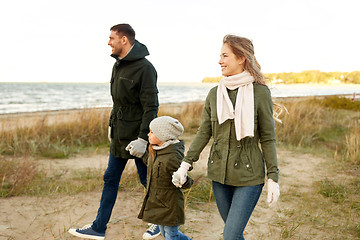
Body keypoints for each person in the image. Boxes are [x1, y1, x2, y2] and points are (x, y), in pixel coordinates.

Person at [172, 34, 280, 240]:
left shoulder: (260, 93)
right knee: (235, 234)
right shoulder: (215, 93)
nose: (220, 61)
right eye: (220, 56)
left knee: (230, 235)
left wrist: (273, 177)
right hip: (219, 174)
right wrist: (185, 165)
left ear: (241, 58)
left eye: (225, 56)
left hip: (249, 176)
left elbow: (268, 137)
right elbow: (204, 132)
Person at [68, 23, 160, 240]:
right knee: (110, 178)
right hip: (119, 135)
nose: (108, 42)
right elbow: (119, 103)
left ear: (124, 40)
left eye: (111, 38)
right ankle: (99, 227)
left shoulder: (145, 68)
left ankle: (160, 222)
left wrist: (142, 138)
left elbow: (151, 106)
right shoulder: (118, 65)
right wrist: (112, 127)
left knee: (147, 179)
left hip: (137, 137)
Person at [138, 116, 193, 240]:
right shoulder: (156, 150)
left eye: (152, 132)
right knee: (164, 232)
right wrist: (141, 154)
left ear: (163, 136)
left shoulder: (173, 157)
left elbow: (187, 182)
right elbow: (153, 164)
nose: (148, 134)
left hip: (170, 206)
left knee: (171, 235)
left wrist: (181, 179)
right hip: (158, 203)